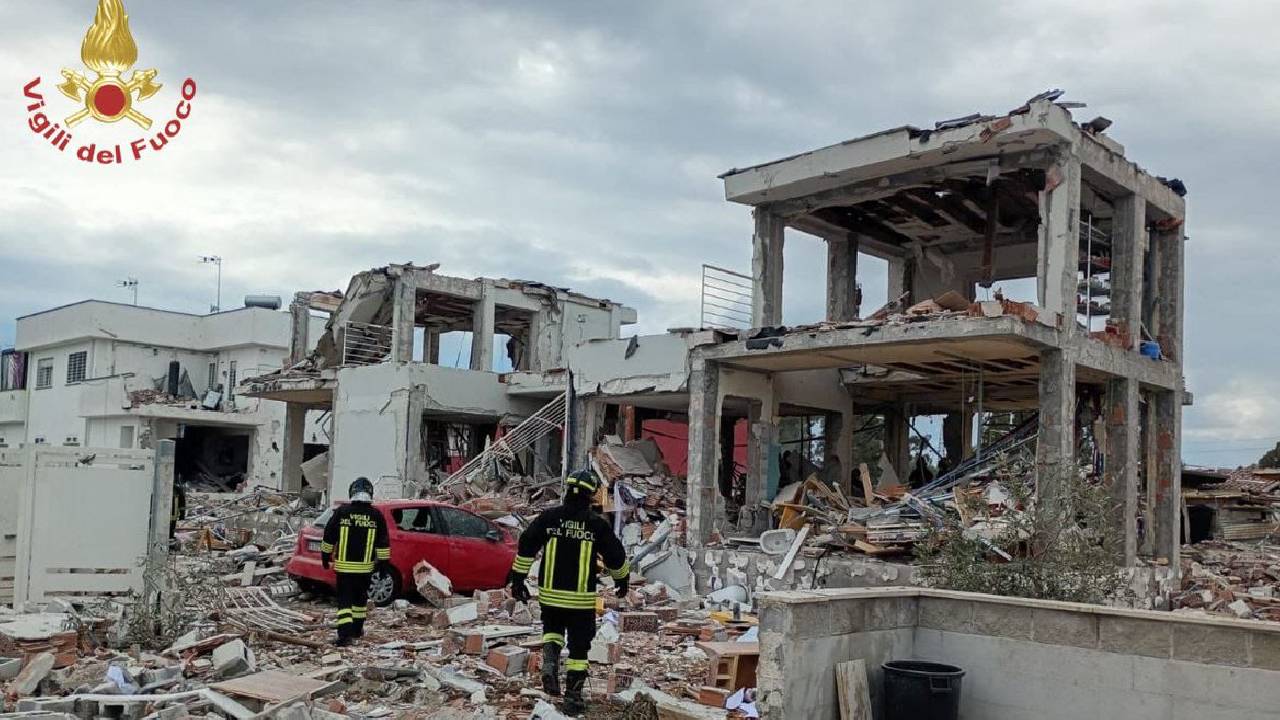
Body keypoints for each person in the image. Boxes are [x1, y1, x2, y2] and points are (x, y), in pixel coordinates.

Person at [508, 470, 630, 715]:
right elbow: (615, 556)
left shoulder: (550, 517)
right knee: (579, 648)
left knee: (553, 631)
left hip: (550, 595)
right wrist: (622, 580)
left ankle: (550, 665)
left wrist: (518, 580)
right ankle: (573, 698)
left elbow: (527, 545)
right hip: (580, 599)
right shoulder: (596, 524)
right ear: (591, 494)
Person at [320, 477, 390, 646]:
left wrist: (325, 556)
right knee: (360, 601)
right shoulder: (376, 515)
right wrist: (383, 565)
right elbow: (383, 542)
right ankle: (357, 630)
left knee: (345, 602)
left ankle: (344, 635)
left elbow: (329, 535)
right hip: (365, 569)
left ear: (352, 492)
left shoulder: (342, 512)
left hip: (344, 569)